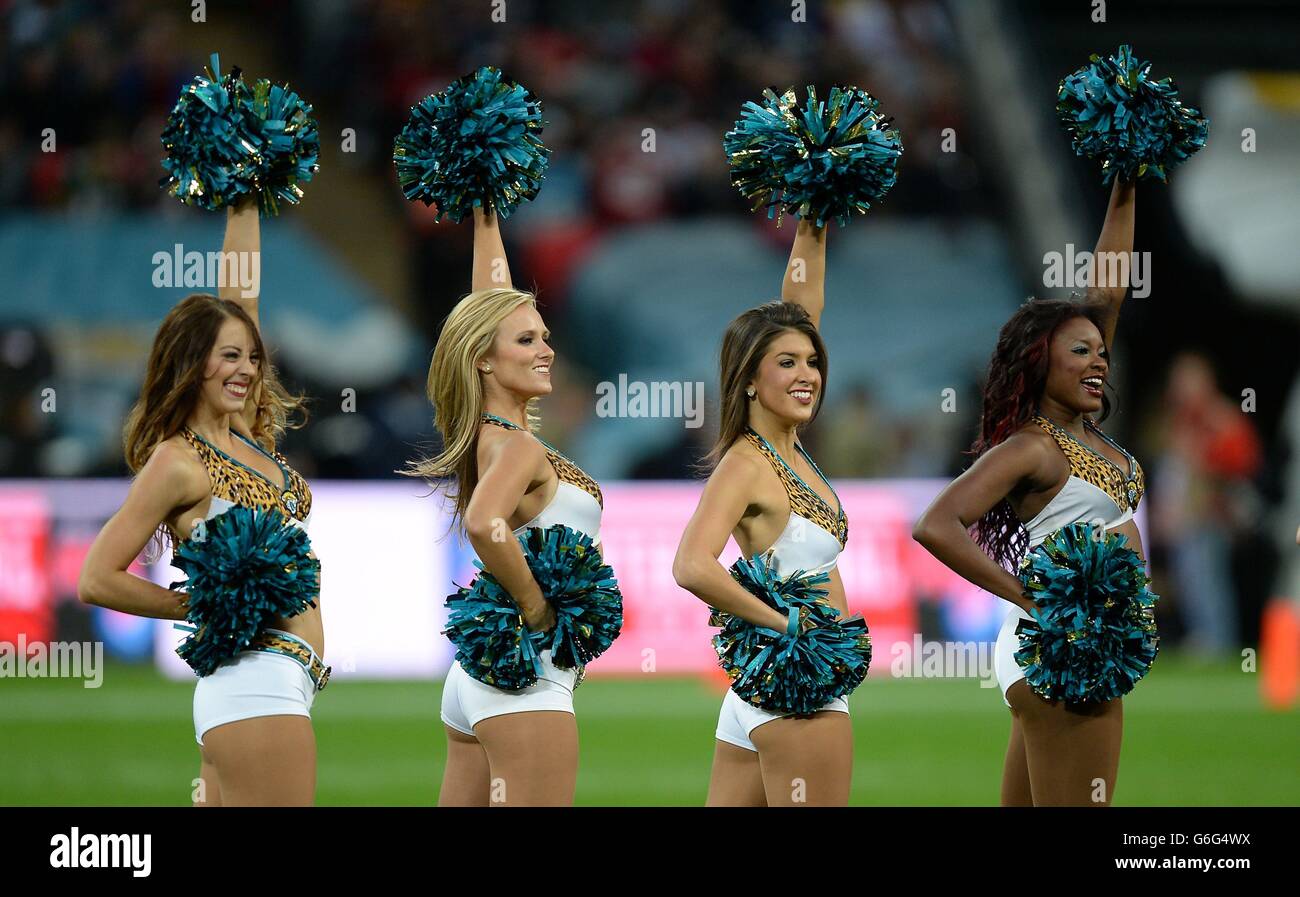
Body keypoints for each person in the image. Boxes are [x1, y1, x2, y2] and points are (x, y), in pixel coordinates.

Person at [79, 197, 325, 806]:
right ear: (193, 363)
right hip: (254, 686)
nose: (246, 369)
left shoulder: (246, 433)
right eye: (229, 356)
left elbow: (241, 300)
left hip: (268, 687)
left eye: (251, 356)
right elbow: (96, 578)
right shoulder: (176, 461)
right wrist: (197, 605)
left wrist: (244, 192)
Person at [914, 179, 1141, 806]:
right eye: (1081, 352)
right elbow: (935, 523)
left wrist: (1124, 186)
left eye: (1102, 351)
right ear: (1043, 364)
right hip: (1063, 648)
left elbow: (1106, 292)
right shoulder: (1032, 446)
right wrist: (1032, 598)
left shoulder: (1080, 432)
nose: (1099, 361)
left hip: (1064, 648)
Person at [410, 206, 603, 807]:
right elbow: (482, 523)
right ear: (485, 360)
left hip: (479, 677)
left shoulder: (486, 434)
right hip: (526, 673)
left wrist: (486, 207)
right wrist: (537, 607)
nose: (546, 348)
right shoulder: (516, 445)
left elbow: (488, 313)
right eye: (527, 340)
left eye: (545, 335)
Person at [674, 219, 855, 806]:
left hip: (763, 691)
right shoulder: (747, 464)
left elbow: (801, 307)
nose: (806, 375)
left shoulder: (790, 450)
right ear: (750, 379)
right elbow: (691, 565)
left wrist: (815, 214)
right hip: (799, 690)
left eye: (812, 362)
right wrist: (784, 625)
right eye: (787, 364)